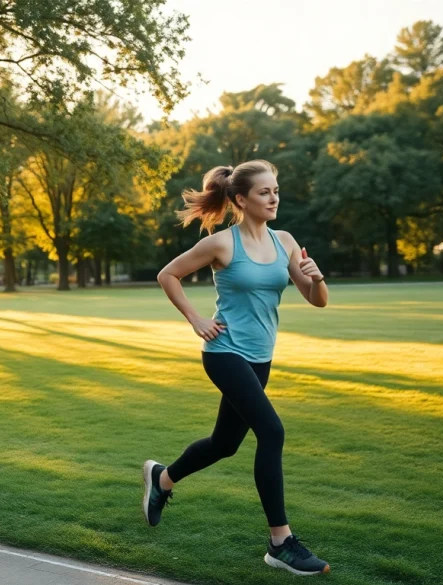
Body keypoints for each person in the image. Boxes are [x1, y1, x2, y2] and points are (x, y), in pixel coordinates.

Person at [147, 160, 331, 576]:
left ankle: (162, 479)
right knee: (272, 432)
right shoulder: (221, 244)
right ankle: (280, 542)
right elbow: (168, 274)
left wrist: (317, 278)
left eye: (276, 190)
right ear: (241, 200)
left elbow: (316, 299)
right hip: (225, 352)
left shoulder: (285, 242)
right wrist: (196, 319)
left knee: (224, 443)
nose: (274, 198)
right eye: (264, 192)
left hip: (260, 356)